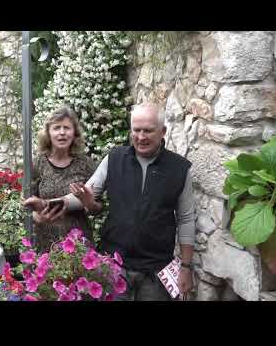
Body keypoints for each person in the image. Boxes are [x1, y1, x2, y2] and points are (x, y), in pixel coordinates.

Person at [68, 102, 195, 301]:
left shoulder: (180, 169)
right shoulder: (114, 158)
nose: (141, 137)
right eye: (136, 130)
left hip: (156, 272)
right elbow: (85, 195)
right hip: (114, 265)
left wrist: (186, 267)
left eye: (148, 131)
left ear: (163, 131)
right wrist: (49, 204)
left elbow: (186, 219)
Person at [22, 106, 96, 252]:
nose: (62, 133)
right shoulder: (37, 164)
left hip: (79, 245)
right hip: (46, 243)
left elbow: (98, 208)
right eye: (56, 128)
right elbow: (24, 204)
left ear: (74, 132)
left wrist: (89, 202)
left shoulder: (86, 164)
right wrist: (37, 217)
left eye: (67, 128)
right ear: (48, 133)